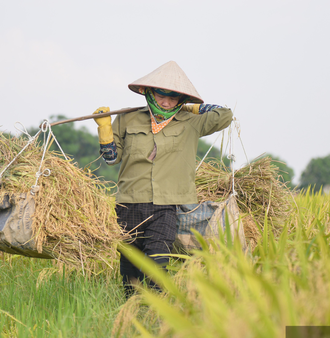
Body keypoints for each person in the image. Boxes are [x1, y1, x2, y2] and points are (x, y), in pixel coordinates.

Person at [92, 61, 233, 298]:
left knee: (157, 266)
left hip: (166, 207)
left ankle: (158, 314)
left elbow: (224, 115)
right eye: (161, 95)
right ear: (149, 92)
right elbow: (111, 159)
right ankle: (131, 316)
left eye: (174, 97)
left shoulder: (191, 123)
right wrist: (104, 129)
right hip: (128, 204)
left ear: (181, 100)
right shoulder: (128, 120)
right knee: (130, 273)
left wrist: (192, 109)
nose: (166, 102)